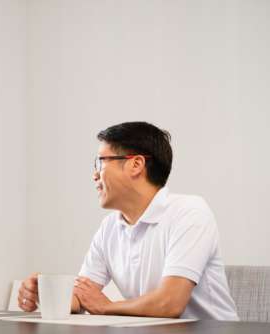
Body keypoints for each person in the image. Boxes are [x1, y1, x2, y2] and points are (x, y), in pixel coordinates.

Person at [18, 122, 238, 320]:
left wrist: (107, 307)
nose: (95, 175)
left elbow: (170, 303)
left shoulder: (190, 212)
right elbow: (83, 296)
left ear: (136, 165)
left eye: (101, 162)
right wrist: (46, 293)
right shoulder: (110, 227)